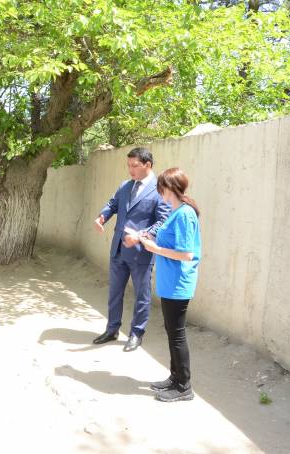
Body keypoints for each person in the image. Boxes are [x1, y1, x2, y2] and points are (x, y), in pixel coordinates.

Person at [93, 147, 170, 351]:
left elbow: (163, 221)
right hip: (118, 249)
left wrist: (141, 235)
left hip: (141, 253)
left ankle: (136, 334)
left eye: (134, 166)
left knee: (141, 295)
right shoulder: (125, 186)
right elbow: (112, 204)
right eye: (128, 165)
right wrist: (102, 217)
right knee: (114, 292)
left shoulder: (160, 189)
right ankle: (112, 329)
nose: (130, 170)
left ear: (147, 165)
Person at [137, 167, 201, 402]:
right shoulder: (177, 211)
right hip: (169, 282)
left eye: (161, 186)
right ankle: (175, 377)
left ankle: (184, 386)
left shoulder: (184, 214)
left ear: (170, 187)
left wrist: (154, 248)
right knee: (172, 332)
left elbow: (186, 253)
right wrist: (150, 238)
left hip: (178, 283)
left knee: (177, 335)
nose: (159, 191)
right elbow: (170, 242)